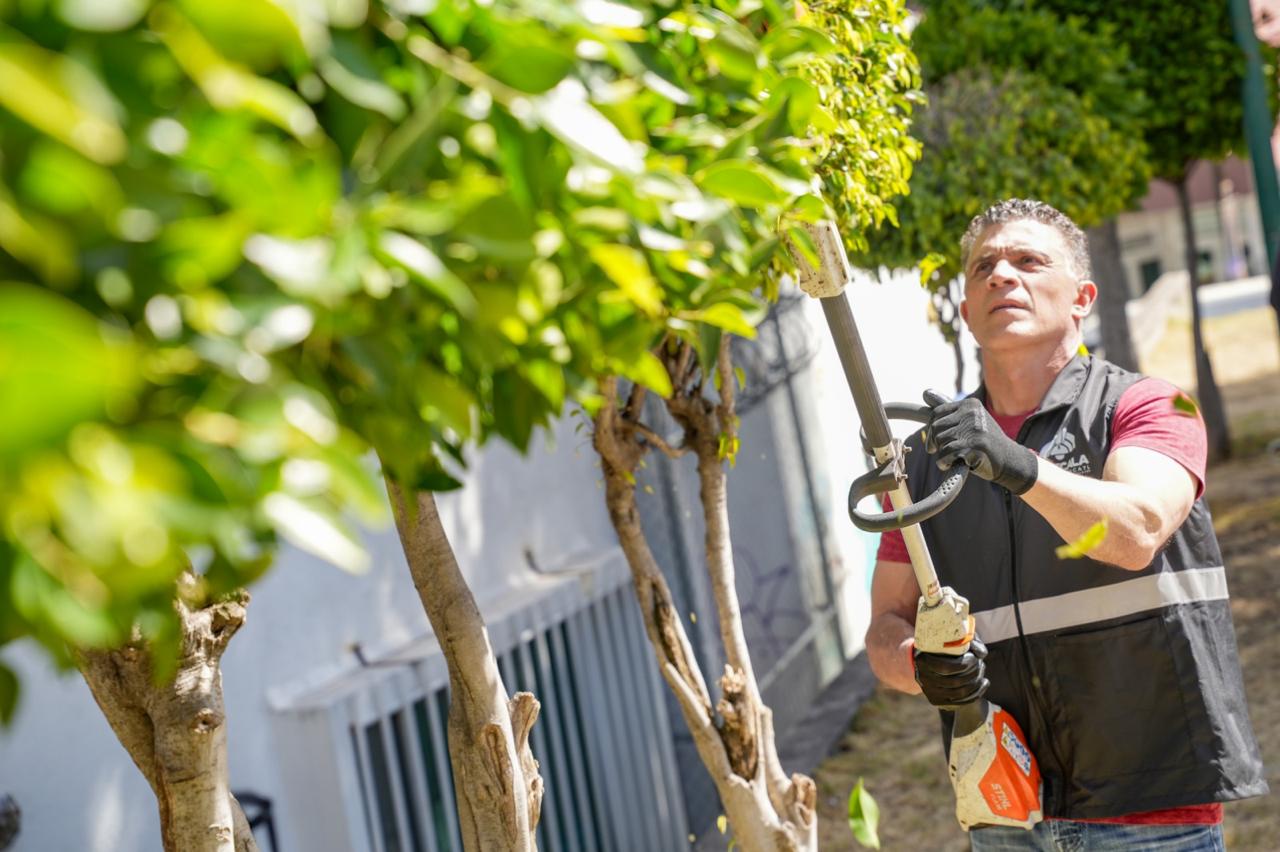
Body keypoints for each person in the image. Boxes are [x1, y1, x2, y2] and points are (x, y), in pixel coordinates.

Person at [865, 199, 1267, 851]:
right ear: (965, 311)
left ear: (1082, 298)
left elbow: (1136, 531)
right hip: (1004, 813)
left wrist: (1015, 464)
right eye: (984, 267)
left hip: (1149, 810)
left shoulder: (1152, 405)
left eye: (1028, 261)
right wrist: (917, 663)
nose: (1002, 275)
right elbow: (886, 625)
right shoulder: (920, 462)